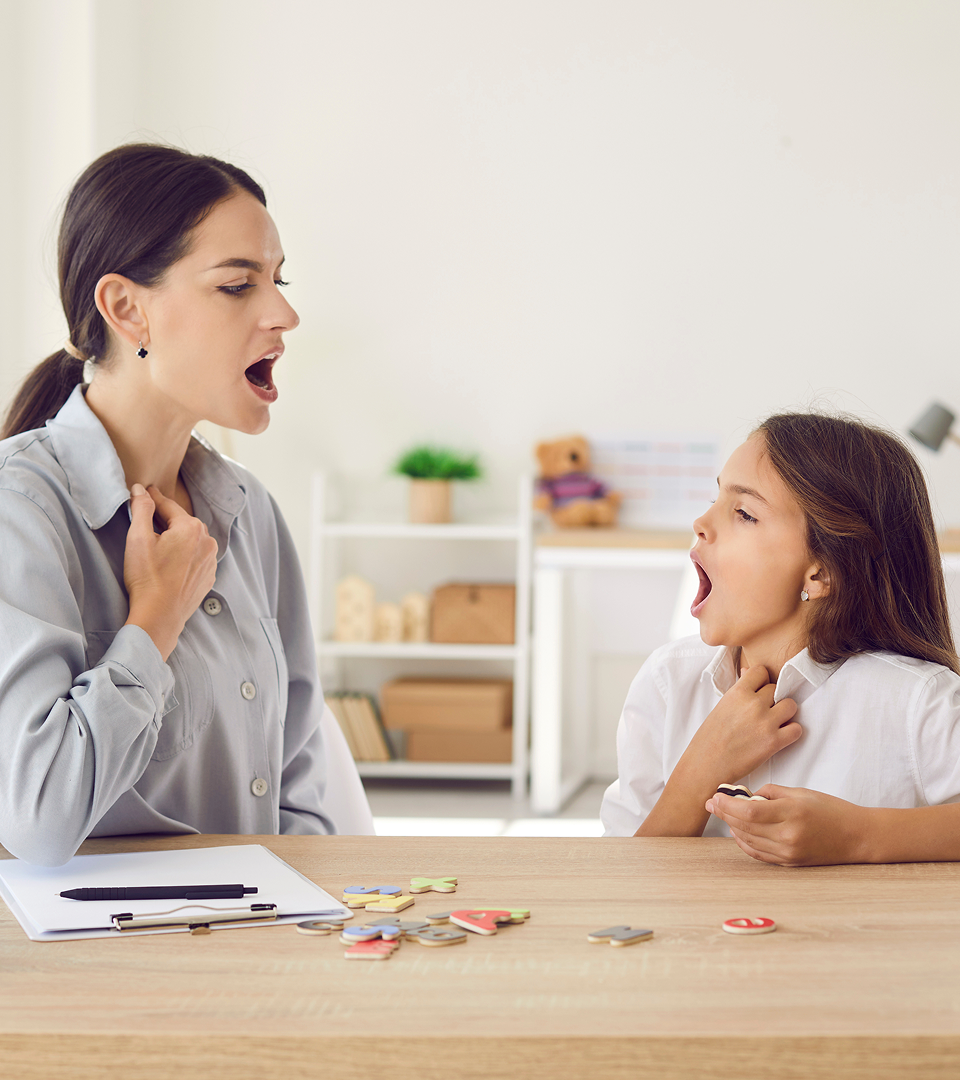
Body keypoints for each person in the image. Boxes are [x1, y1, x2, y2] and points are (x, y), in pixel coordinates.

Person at [0, 143, 371, 866]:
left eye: (278, 280)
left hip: (258, 948)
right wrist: (155, 619)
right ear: (126, 309)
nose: (284, 313)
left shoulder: (247, 510)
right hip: (102, 971)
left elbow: (295, 778)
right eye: (238, 286)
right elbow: (36, 820)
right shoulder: (21, 511)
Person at [600, 412, 960, 844]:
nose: (701, 523)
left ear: (821, 571)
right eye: (716, 498)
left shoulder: (920, 703)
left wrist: (856, 835)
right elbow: (621, 868)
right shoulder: (667, 681)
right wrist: (698, 773)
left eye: (744, 513)